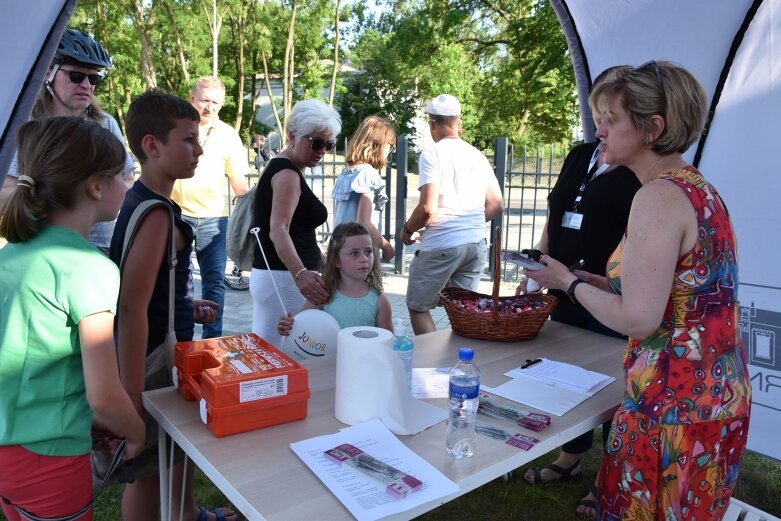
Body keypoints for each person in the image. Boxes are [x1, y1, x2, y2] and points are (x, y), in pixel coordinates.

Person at [524, 61, 751, 521]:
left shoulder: (657, 197)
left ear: (652, 129)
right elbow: (682, 290)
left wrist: (567, 283)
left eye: (611, 118)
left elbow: (640, 318)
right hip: (712, 398)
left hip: (671, 406)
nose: (599, 128)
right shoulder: (696, 189)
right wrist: (590, 281)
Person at [0, 117, 145, 521]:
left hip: (9, 446)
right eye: (124, 173)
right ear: (96, 186)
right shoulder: (88, 266)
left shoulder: (10, 254)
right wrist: (135, 432)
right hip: (49, 454)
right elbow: (104, 393)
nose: (129, 182)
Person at [514, 66, 642, 519]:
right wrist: (536, 272)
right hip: (563, 289)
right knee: (566, 377)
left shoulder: (639, 170)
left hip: (608, 292)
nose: (600, 124)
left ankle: (609, 475)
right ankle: (570, 457)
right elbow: (554, 217)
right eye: (596, 112)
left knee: (612, 386)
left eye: (609, 113)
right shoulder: (580, 154)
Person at [112, 89, 234, 521]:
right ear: (152, 145)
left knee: (170, 457)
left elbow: (154, 287)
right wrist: (130, 395)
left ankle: (187, 515)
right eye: (188, 139)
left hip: (161, 348)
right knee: (150, 467)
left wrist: (186, 305)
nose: (199, 150)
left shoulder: (149, 203)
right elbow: (130, 308)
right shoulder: (158, 214)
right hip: (151, 365)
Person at [0, 28, 136, 254]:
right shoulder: (26, 126)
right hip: (37, 243)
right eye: (76, 76)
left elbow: (128, 180)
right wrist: (61, 192)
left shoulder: (105, 123)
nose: (86, 85)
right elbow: (6, 194)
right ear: (47, 74)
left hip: (97, 245)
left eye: (94, 78)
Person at [400, 94, 504, 335]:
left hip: (441, 244)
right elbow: (497, 205)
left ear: (432, 124)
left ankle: (435, 364)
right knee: (464, 312)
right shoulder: (477, 155)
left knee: (418, 307)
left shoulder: (432, 154)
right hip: (475, 245)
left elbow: (428, 208)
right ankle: (463, 360)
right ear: (459, 123)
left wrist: (407, 230)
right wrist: (467, 222)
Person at [250, 99, 341, 347]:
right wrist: (301, 274)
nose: (322, 150)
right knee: (281, 353)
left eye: (329, 144)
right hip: (284, 278)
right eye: (316, 142)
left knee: (273, 350)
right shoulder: (287, 173)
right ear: (292, 136)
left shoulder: (287, 167)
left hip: (278, 275)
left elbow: (295, 229)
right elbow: (278, 230)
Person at [171, 76, 250, 339]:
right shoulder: (175, 127)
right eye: (205, 100)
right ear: (191, 98)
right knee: (178, 282)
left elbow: (239, 181)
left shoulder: (228, 135)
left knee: (214, 283)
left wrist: (254, 206)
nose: (210, 107)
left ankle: (212, 341)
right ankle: (180, 337)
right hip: (178, 214)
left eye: (216, 102)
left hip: (215, 219)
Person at [277, 221, 393, 335]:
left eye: (368, 251)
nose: (364, 259)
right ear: (336, 260)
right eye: (354, 253)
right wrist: (288, 326)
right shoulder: (323, 293)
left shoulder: (379, 301)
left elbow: (388, 342)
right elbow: (299, 326)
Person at [331, 116, 397, 261]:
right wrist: (386, 246)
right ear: (377, 145)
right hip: (360, 254)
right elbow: (363, 222)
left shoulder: (347, 172)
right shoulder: (367, 173)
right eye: (389, 146)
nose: (390, 151)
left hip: (341, 249)